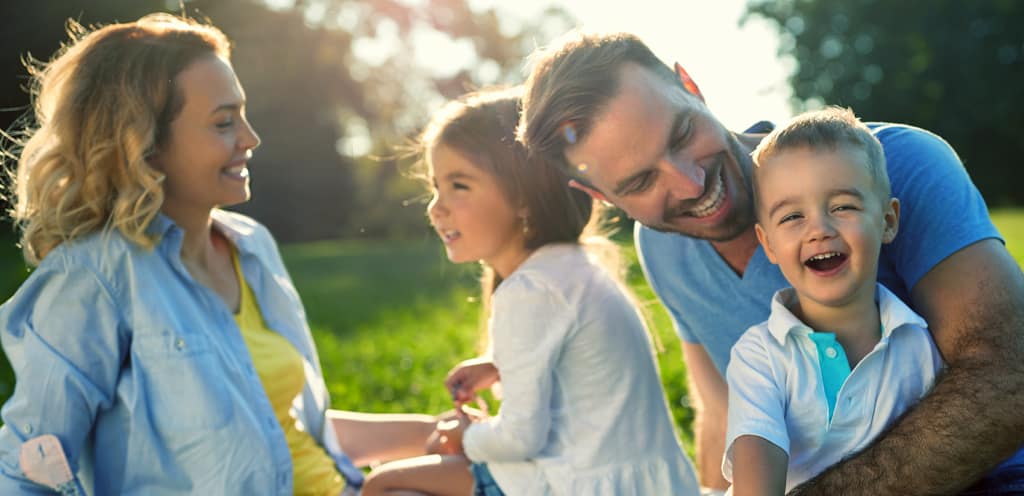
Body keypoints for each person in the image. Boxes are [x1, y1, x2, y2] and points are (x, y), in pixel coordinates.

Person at [517, 31, 1024, 495]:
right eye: (640, 183)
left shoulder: (896, 165)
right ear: (601, 197)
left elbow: (1008, 376)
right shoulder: (662, 249)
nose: (692, 184)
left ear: (689, 85)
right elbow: (721, 416)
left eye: (680, 135)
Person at [0, 14, 441, 494]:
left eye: (243, 116)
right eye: (224, 123)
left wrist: (434, 432)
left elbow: (280, 426)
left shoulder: (250, 246)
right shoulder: (93, 279)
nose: (250, 138)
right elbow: (30, 468)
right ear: (145, 146)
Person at [359, 87, 699, 495]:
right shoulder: (574, 268)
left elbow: (522, 438)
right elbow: (578, 370)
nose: (436, 207)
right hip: (652, 484)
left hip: (578, 486)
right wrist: (499, 365)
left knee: (385, 485)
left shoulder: (529, 290)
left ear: (524, 199)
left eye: (459, 186)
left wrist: (466, 437)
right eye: (436, 187)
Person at [721, 107, 942, 495]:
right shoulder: (760, 357)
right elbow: (757, 478)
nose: (819, 230)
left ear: (887, 221)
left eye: (842, 206)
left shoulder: (920, 345)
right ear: (768, 243)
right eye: (792, 217)